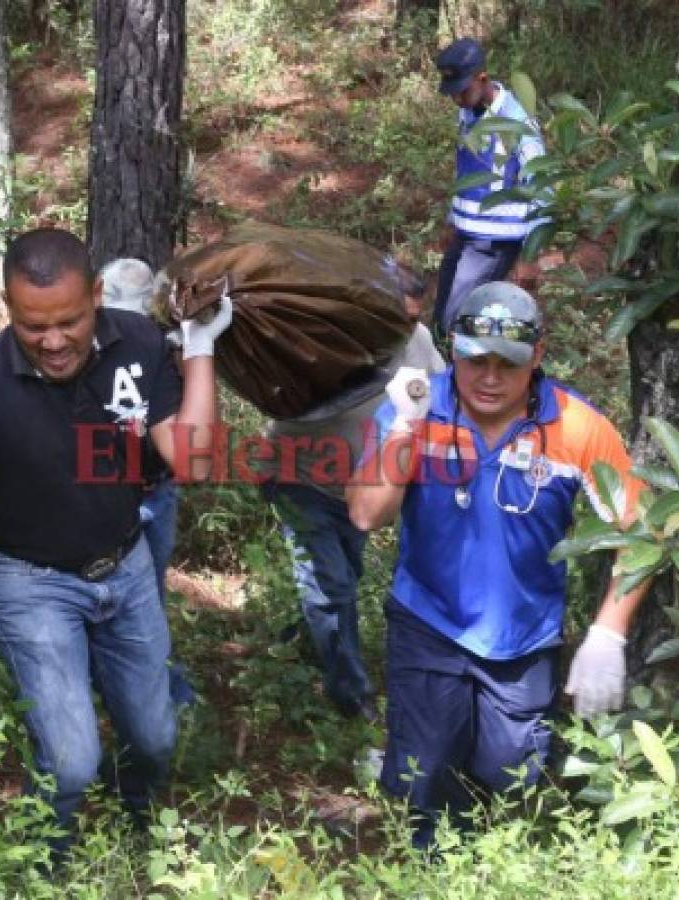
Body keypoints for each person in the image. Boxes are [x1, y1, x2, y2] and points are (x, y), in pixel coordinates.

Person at [0, 228, 232, 856]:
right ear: (9, 307)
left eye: (69, 321)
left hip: (126, 566)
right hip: (28, 583)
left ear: (95, 295)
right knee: (70, 760)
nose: (53, 341)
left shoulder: (139, 342)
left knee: (157, 738)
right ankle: (46, 860)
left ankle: (134, 819)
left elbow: (191, 463)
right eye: (34, 326)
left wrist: (198, 348)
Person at [347, 281, 648, 847]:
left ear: (536, 357)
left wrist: (610, 632)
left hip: (523, 637)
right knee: (422, 779)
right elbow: (366, 513)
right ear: (452, 349)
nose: (488, 378)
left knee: (509, 772)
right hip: (428, 621)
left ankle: (479, 846)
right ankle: (427, 860)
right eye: (474, 360)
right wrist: (405, 428)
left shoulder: (576, 427)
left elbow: (640, 531)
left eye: (506, 364)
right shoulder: (416, 404)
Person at [259, 268, 446, 722]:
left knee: (345, 575)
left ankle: (307, 640)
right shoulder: (326, 338)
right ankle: (350, 693)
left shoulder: (416, 339)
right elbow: (275, 391)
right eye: (395, 316)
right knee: (333, 584)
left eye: (413, 316)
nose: (404, 326)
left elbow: (442, 389)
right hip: (298, 478)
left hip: (357, 490)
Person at [98, 257, 196, 707]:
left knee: (147, 594)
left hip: (155, 490)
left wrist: (191, 349)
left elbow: (189, 430)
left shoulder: (161, 349)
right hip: (102, 494)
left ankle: (158, 688)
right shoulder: (88, 348)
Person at [432, 38, 546, 329]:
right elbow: (466, 175)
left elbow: (540, 184)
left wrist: (530, 254)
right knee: (441, 313)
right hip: (465, 235)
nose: (457, 100)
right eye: (453, 93)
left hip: (494, 241)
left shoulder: (518, 122)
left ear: (482, 78)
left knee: (455, 321)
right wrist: (451, 220)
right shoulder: (469, 115)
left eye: (462, 91)